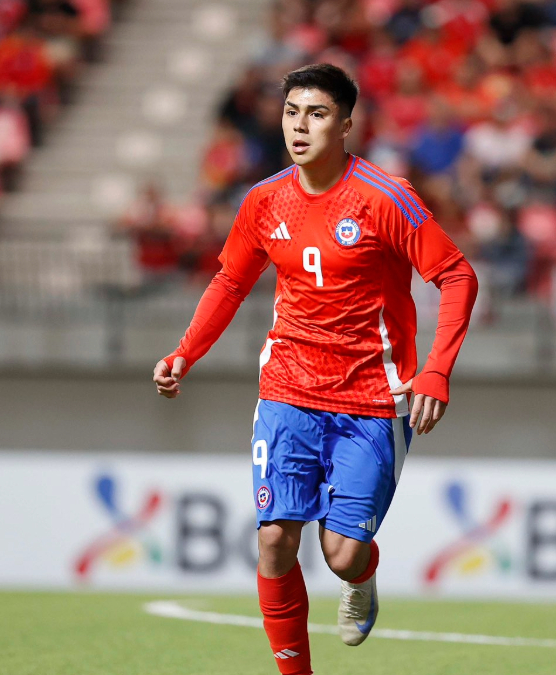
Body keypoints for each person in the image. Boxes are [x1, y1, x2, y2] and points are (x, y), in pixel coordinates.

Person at [152, 63, 477, 675]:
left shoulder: (385, 197)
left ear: (346, 125)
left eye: (317, 114)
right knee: (275, 538)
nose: (299, 126)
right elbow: (229, 282)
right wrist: (184, 353)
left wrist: (436, 370)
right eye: (291, 113)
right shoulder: (263, 200)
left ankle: (363, 575)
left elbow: (457, 275)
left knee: (342, 554)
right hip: (287, 388)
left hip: (373, 398)